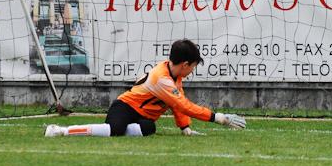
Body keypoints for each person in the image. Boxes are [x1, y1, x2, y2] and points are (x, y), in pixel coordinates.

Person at [44, 39, 246, 137]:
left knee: (149, 128)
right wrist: (219, 118)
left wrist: (185, 128)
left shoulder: (175, 76)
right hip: (125, 107)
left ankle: (118, 129)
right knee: (115, 130)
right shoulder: (162, 80)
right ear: (185, 64)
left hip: (142, 117)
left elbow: (177, 102)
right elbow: (183, 105)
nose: (193, 70)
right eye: (193, 66)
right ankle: (62, 131)